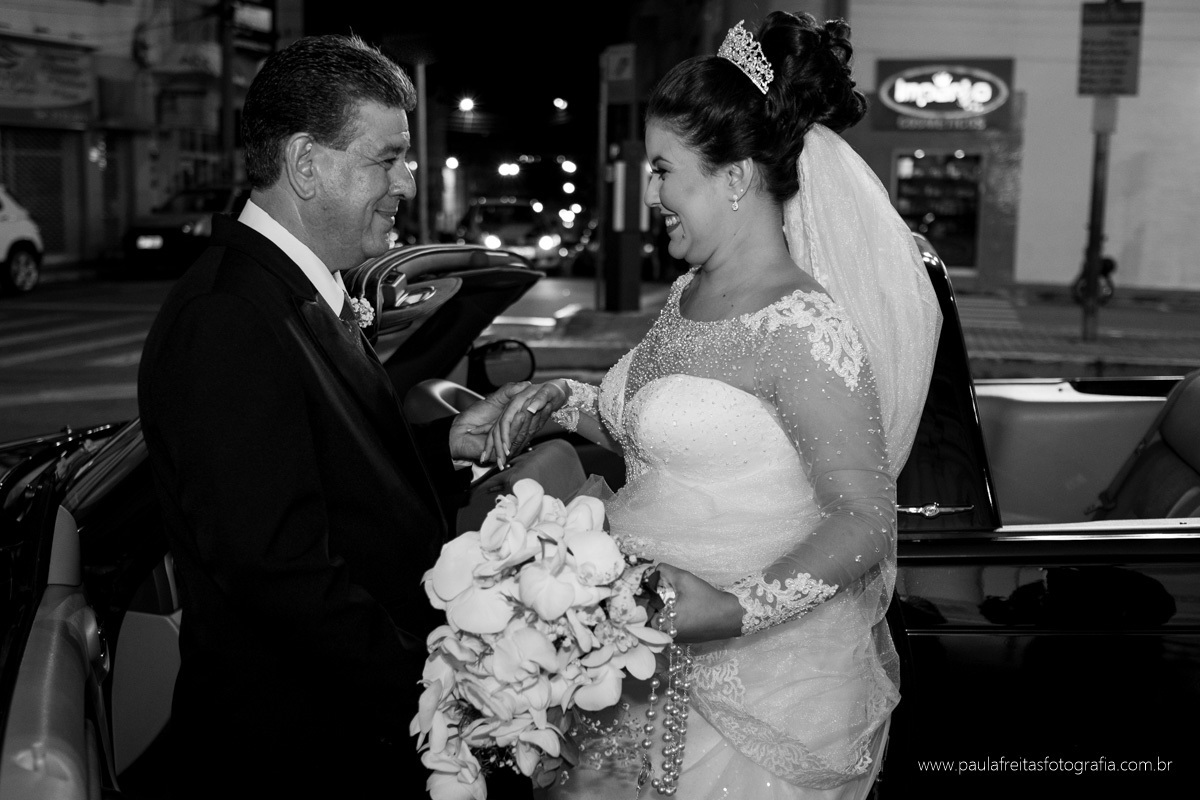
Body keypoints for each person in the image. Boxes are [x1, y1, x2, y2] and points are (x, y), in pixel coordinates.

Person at [492, 12, 941, 799]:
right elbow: (658, 436)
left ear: (734, 179)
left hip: (754, 696)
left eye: (664, 171)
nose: (651, 194)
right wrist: (558, 401)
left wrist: (732, 610)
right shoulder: (688, 293)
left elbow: (864, 519)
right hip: (634, 659)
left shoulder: (801, 326)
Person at [137, 34, 525, 799]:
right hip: (305, 752)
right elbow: (282, 577)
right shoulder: (228, 318)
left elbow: (321, 465)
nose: (407, 182)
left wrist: (447, 442)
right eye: (388, 159)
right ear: (306, 164)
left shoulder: (291, 288)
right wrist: (442, 691)